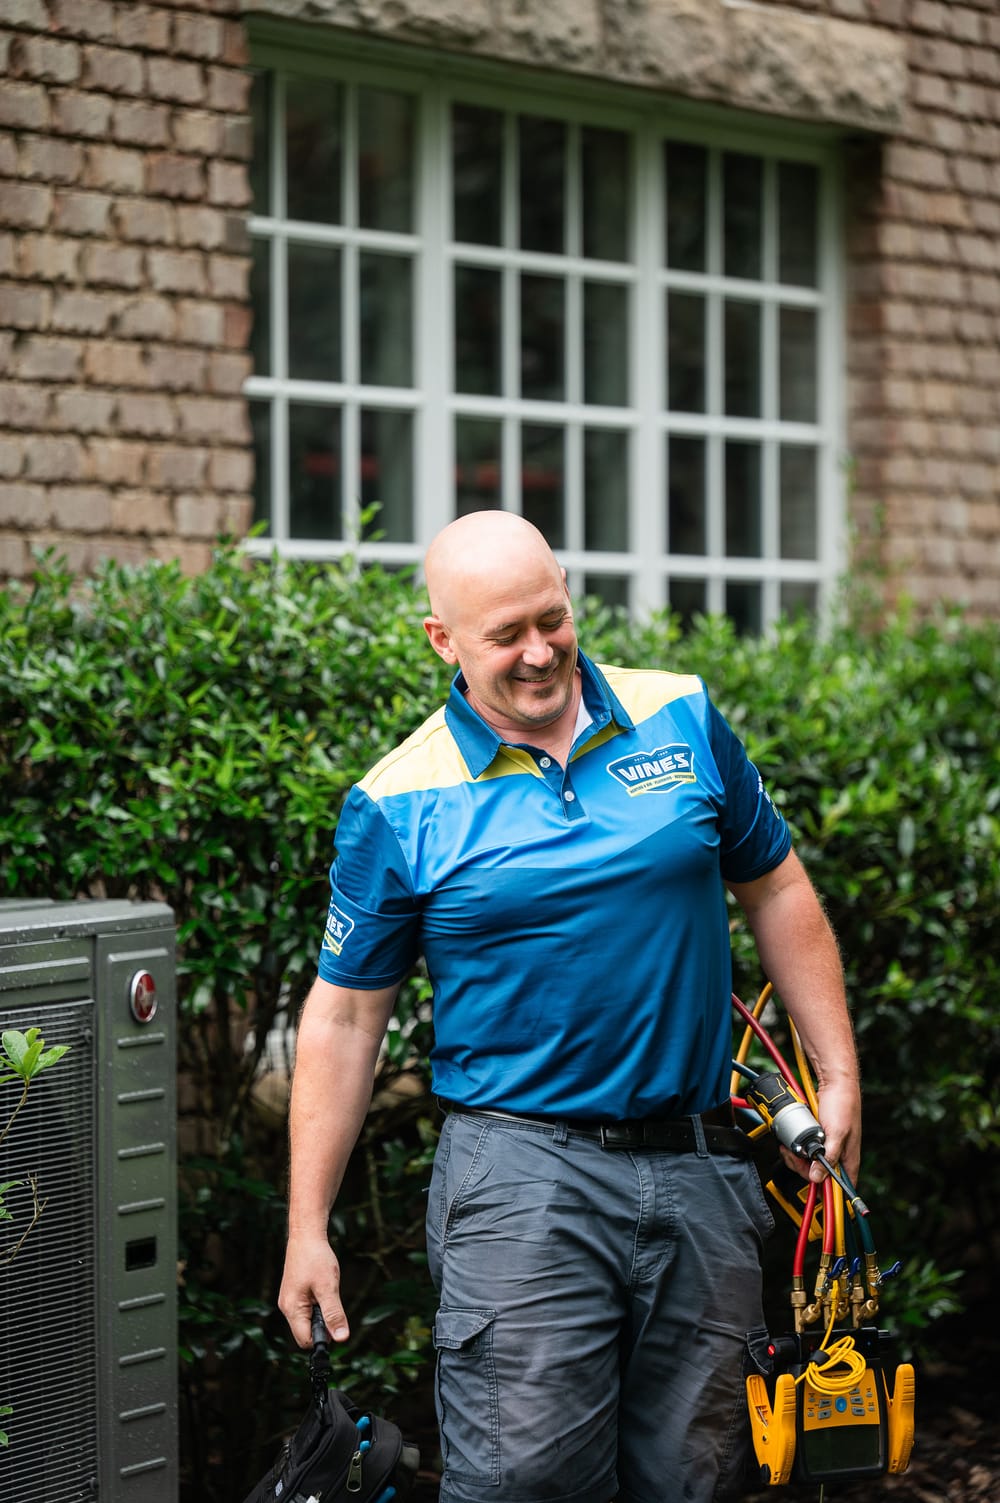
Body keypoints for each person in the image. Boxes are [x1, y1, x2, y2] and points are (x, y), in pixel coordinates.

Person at [278, 510, 861, 1503]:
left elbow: (774, 885)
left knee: (700, 1477)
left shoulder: (680, 715)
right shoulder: (398, 800)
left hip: (702, 1160)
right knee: (527, 1480)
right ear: (443, 640)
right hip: (521, 1178)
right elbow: (344, 1018)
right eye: (505, 634)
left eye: (552, 618)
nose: (541, 651)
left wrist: (837, 1070)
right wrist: (307, 1226)